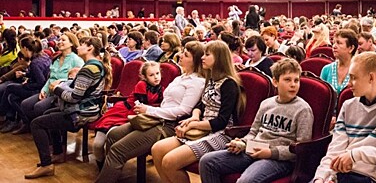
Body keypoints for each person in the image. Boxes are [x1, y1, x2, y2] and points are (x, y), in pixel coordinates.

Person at [96, 41, 206, 183]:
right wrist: (151, 111)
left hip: (169, 125)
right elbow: (166, 102)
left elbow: (183, 110)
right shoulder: (180, 77)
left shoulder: (197, 82)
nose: (180, 55)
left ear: (195, 60)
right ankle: (111, 174)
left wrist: (149, 109)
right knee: (113, 135)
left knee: (118, 150)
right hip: (156, 117)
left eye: (185, 55)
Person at [199, 58, 314, 183]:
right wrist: (242, 143)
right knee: (207, 162)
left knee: (245, 181)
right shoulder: (266, 104)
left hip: (278, 159)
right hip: (253, 149)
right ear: (275, 81)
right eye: (287, 80)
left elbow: (302, 149)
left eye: (296, 80)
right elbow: (253, 132)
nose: (293, 84)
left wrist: (271, 153)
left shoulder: (303, 110)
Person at [312, 52, 376, 183]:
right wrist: (321, 177)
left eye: (353, 78)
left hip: (368, 178)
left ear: (371, 78)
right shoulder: (348, 106)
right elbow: (335, 149)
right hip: (339, 175)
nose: (348, 84)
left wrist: (357, 154)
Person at [151, 40, 245, 183]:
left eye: (207, 54)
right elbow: (201, 105)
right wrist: (194, 117)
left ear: (218, 58)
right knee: (157, 149)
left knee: (170, 162)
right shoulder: (211, 78)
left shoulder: (229, 84)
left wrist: (194, 125)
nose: (202, 57)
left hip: (221, 133)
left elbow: (222, 121)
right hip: (203, 127)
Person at [25, 36, 112, 179]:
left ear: (90, 48)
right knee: (46, 112)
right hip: (85, 108)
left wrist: (56, 89)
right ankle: (58, 153)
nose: (78, 46)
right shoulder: (94, 65)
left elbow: (74, 97)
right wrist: (63, 83)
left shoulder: (89, 68)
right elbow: (79, 90)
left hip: (82, 113)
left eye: (82, 44)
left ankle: (46, 165)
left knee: (36, 124)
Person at [92, 61, 163, 168]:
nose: (156, 77)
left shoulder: (161, 89)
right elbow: (141, 105)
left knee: (116, 143)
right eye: (151, 75)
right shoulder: (141, 84)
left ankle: (109, 167)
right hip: (124, 112)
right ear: (144, 77)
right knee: (99, 143)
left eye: (157, 73)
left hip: (142, 116)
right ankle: (102, 167)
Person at [19, 33, 84, 134]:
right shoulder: (56, 59)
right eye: (59, 39)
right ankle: (38, 130)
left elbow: (77, 82)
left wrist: (61, 83)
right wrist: (43, 90)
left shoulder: (77, 60)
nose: (59, 42)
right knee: (25, 104)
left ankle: (47, 134)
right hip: (49, 90)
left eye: (63, 40)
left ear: (71, 43)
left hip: (62, 94)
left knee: (39, 107)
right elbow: (50, 78)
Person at [0, 36, 51, 133]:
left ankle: (3, 113)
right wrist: (25, 74)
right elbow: (38, 74)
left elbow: (41, 82)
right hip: (38, 87)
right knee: (12, 97)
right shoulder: (43, 56)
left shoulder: (35, 63)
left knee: (9, 88)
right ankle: (19, 121)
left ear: (25, 48)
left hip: (38, 90)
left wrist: (26, 85)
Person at [320, 30, 358, 96]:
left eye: (339, 43)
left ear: (351, 48)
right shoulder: (326, 69)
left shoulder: (360, 70)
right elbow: (321, 96)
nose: (334, 46)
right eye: (334, 43)